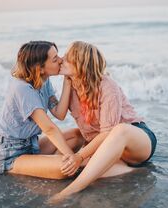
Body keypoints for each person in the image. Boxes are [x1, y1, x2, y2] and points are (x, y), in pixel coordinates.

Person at [52, 41, 157, 201]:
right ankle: (132, 171)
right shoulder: (72, 84)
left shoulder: (107, 86)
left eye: (67, 58)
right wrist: (67, 81)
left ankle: (70, 191)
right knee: (70, 140)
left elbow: (108, 133)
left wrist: (79, 155)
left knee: (119, 130)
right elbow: (60, 114)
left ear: (80, 64)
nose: (61, 59)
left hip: (135, 140)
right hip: (107, 146)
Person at [0, 41, 84, 179]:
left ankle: (49, 166)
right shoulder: (22, 88)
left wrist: (67, 80)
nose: (61, 60)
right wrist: (72, 158)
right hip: (10, 153)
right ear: (39, 68)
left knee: (77, 136)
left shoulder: (43, 80)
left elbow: (59, 113)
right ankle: (56, 166)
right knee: (63, 169)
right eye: (55, 59)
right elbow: (49, 129)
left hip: (31, 145)